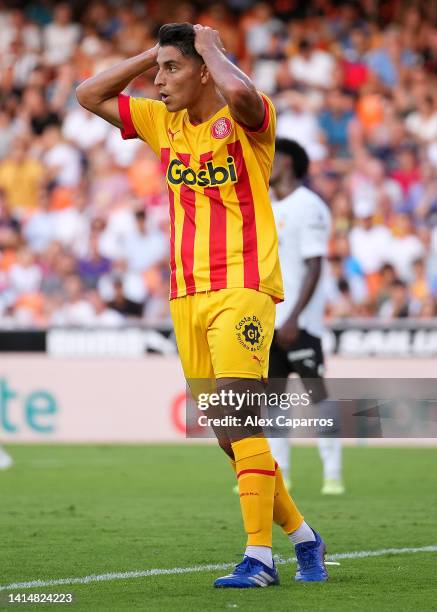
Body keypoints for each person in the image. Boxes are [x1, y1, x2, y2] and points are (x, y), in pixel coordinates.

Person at [77, 22, 327, 588]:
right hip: (186, 295)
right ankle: (306, 538)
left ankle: (259, 558)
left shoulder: (246, 119)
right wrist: (152, 53)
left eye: (171, 69)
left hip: (243, 286)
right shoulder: (160, 122)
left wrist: (210, 46)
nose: (159, 82)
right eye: (158, 71)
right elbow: (88, 94)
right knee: (225, 436)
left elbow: (240, 94)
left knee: (241, 418)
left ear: (205, 70)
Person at [269, 139, 344, 495]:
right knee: (273, 400)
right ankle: (279, 474)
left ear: (285, 161)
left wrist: (294, 318)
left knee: (318, 396)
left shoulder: (309, 207)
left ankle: (333, 472)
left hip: (301, 323)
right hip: (269, 321)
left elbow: (314, 266)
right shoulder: (266, 206)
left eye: (270, 156)